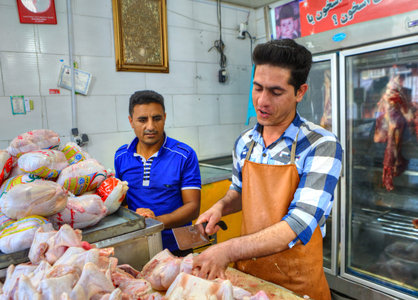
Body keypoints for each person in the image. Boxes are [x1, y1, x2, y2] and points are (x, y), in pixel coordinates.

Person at [192, 39, 342, 300]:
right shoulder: (245, 142)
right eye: (257, 87)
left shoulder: (320, 145)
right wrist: (220, 207)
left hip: (295, 285)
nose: (262, 101)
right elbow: (239, 191)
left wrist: (227, 250)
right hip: (248, 278)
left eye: (275, 92)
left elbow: (299, 223)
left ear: (300, 91)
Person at [114, 90, 201, 257]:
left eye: (156, 118)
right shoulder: (121, 156)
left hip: (177, 246)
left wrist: (155, 223)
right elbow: (120, 199)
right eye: (142, 120)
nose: (150, 127)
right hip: (137, 244)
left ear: (165, 118)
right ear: (131, 121)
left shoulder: (184, 155)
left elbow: (193, 208)